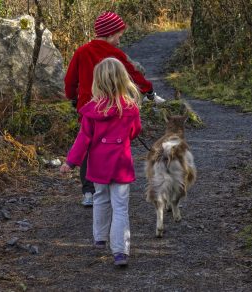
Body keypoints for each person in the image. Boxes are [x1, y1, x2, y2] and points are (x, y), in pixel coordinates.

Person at [64, 11, 165, 206]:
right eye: (119, 35)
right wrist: (149, 90)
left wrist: (72, 98)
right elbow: (133, 75)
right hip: (114, 107)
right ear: (110, 33)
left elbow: (70, 81)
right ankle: (114, 182)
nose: (120, 39)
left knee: (88, 143)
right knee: (113, 142)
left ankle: (88, 192)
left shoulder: (82, 51)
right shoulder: (115, 54)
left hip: (88, 107)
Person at [60, 57, 142, 266]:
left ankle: (99, 238)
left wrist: (70, 163)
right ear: (123, 80)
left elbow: (83, 139)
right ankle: (120, 251)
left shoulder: (91, 110)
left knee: (100, 198)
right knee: (120, 206)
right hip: (121, 164)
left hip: (98, 163)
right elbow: (134, 132)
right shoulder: (130, 109)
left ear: (98, 82)